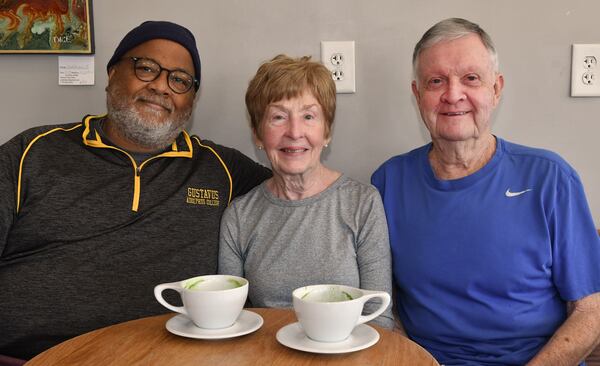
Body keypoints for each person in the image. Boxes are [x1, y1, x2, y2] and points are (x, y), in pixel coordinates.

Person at [0, 20, 270, 360]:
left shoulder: (220, 168)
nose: (161, 86)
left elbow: (298, 192)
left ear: (191, 100)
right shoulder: (31, 153)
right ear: (113, 74)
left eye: (180, 80)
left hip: (168, 357)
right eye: (146, 68)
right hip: (30, 356)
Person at [371, 17, 600, 365]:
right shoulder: (388, 182)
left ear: (496, 88)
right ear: (418, 96)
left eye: (470, 78)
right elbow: (382, 305)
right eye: (436, 81)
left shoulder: (550, 178)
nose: (453, 94)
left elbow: (590, 310)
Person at [218, 55, 394, 328]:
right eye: (278, 117)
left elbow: (378, 316)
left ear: (326, 132)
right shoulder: (239, 216)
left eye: (309, 116)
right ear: (257, 134)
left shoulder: (363, 203)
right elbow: (228, 319)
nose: (294, 132)